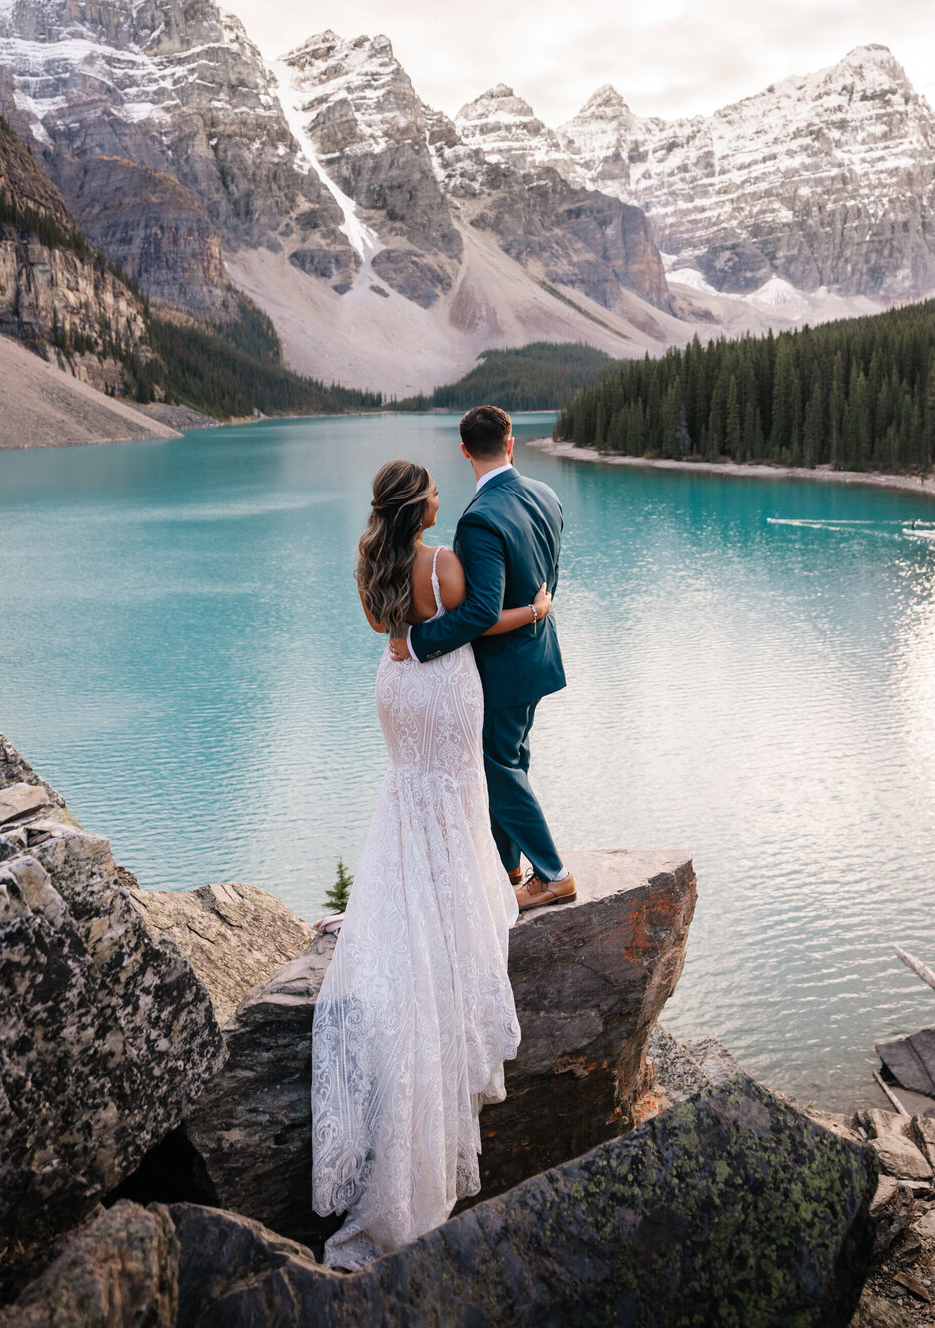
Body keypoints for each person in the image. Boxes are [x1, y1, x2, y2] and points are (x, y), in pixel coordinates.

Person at [310, 458, 550, 1268]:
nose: (445, 498)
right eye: (436, 494)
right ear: (424, 506)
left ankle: (410, 893)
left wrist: (413, 637)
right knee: (456, 792)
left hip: (394, 688)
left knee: (410, 792)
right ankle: (453, 903)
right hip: (445, 687)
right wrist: (534, 608)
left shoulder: (369, 562)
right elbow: (478, 620)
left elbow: (391, 634)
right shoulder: (442, 562)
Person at [392, 405, 574, 912]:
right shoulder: (547, 495)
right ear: (511, 444)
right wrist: (537, 615)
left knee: (497, 766)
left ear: (465, 450)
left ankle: (554, 874)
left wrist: (417, 642)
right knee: (511, 760)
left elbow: (478, 612)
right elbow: (548, 579)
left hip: (501, 668)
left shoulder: (478, 519)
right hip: (539, 657)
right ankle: (508, 868)